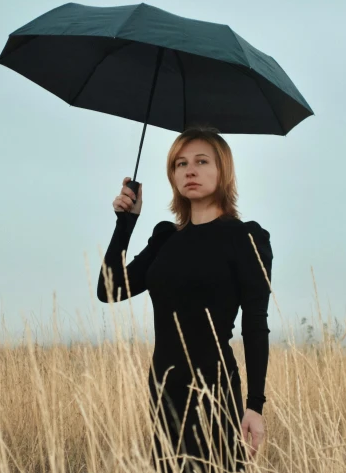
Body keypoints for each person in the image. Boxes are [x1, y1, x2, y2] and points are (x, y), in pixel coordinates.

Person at [97, 125, 273, 473]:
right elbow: (110, 289)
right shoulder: (166, 238)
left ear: (223, 170)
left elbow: (255, 324)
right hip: (163, 388)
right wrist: (125, 224)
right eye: (180, 164)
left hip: (215, 389)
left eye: (202, 161)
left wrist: (254, 405)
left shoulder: (246, 238)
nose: (189, 170)